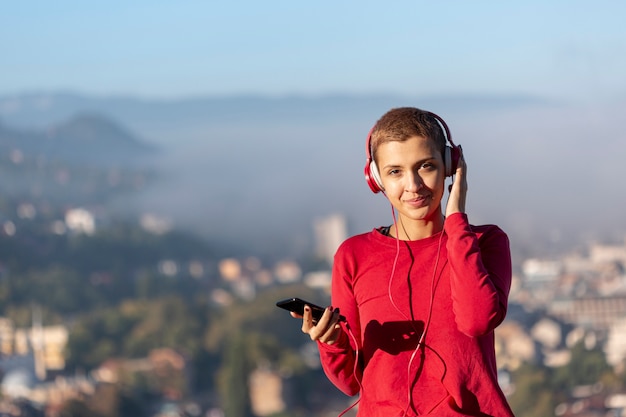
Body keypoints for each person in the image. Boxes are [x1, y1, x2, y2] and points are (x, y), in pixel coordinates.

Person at [293, 107, 515, 416]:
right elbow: (349, 381)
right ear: (376, 179)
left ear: (450, 166)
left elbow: (476, 320)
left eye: (426, 166)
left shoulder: (485, 243)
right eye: (395, 171)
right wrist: (332, 342)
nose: (413, 185)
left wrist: (456, 220)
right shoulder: (353, 256)